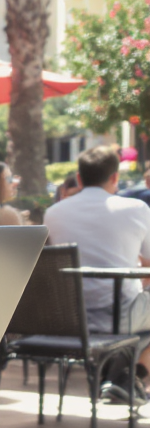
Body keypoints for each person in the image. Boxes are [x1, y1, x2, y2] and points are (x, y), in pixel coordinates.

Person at [45, 145, 150, 402]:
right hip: (119, 316)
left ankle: (121, 375)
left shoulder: (53, 213)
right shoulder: (135, 208)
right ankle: (129, 376)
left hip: (68, 320)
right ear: (115, 177)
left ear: (79, 179)